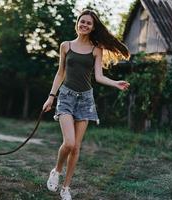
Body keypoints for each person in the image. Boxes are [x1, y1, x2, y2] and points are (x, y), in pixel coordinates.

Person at [42, 9, 130, 200]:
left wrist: (115, 83)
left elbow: (98, 76)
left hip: (85, 100)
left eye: (89, 23)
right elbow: (60, 73)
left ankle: (66, 187)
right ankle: (56, 171)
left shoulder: (96, 49)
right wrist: (51, 96)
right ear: (78, 23)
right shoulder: (65, 46)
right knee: (69, 142)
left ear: (93, 27)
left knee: (76, 147)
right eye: (82, 22)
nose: (85, 25)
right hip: (65, 97)